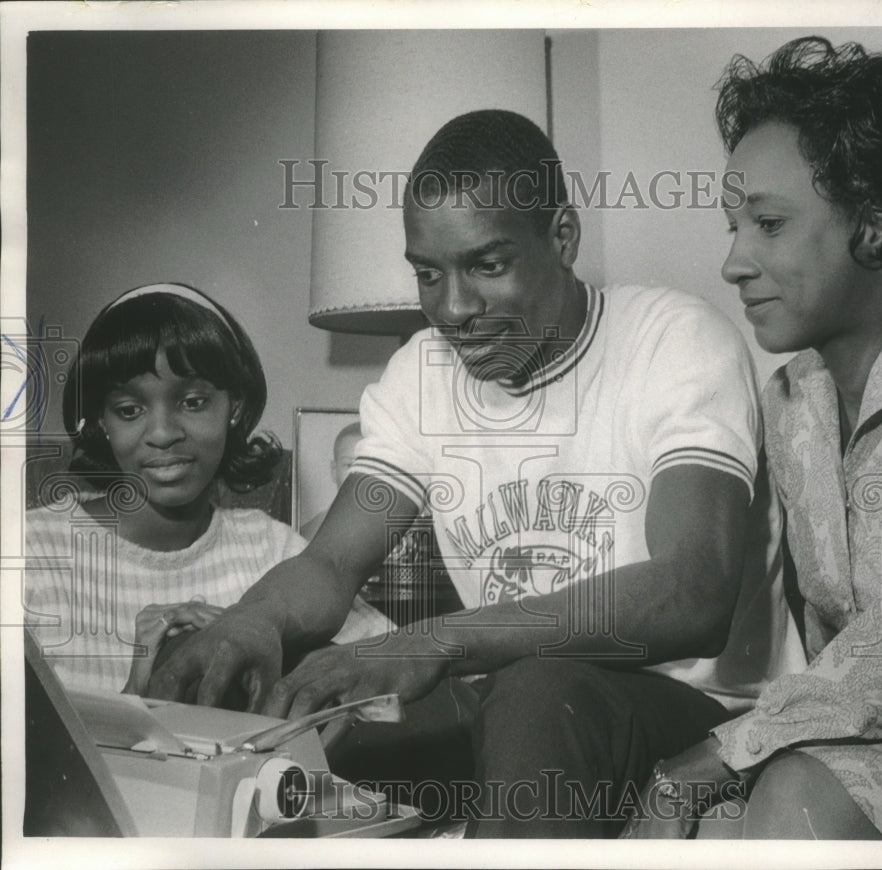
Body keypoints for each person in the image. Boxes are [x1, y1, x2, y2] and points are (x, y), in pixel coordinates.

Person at [148, 111, 802, 837]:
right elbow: (331, 562)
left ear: (562, 237)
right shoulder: (421, 372)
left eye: (488, 266)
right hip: (514, 698)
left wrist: (432, 641)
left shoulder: (674, 338)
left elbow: (692, 592)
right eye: (429, 274)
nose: (454, 309)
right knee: (281, 718)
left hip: (696, 708)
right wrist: (252, 624)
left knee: (533, 690)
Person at [624, 37, 882, 840]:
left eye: (769, 224)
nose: (733, 261)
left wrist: (713, 756)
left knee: (785, 798)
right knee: (716, 826)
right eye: (732, 225)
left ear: (880, 221)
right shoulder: (792, 405)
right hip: (864, 750)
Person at [24, 283, 387, 696]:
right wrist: (138, 698)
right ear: (100, 421)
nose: (162, 434)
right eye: (129, 410)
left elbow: (388, 667)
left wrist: (257, 638)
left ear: (234, 406)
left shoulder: (271, 550)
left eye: (193, 402)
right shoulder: (30, 555)